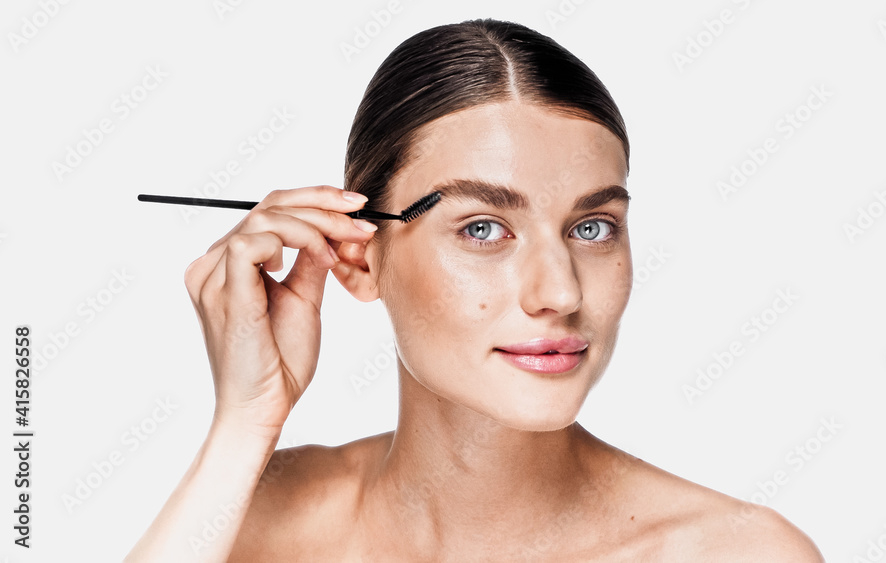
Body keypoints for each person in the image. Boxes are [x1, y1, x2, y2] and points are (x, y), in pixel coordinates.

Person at [127, 18, 824, 561]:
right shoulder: (251, 520)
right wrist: (243, 423)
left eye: (592, 227)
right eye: (485, 229)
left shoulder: (737, 552)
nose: (558, 292)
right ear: (359, 258)